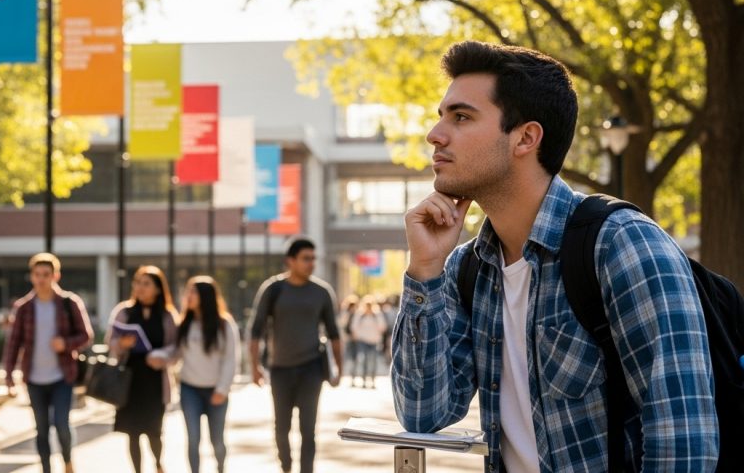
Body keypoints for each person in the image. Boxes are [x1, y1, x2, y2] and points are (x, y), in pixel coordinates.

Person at [392, 41, 718, 472]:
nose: (436, 134)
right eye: (441, 117)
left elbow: (684, 445)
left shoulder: (623, 246)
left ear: (526, 137)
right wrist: (425, 272)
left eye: (461, 117)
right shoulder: (467, 269)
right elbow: (423, 415)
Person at [248, 238, 343, 473]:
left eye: (313, 258)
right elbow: (255, 330)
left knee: (308, 430)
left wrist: (339, 369)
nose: (311, 263)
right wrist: (254, 367)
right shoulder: (273, 289)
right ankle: (286, 466)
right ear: (290, 261)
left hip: (312, 369)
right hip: (280, 369)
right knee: (281, 428)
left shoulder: (322, 292)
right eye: (306, 259)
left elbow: (334, 333)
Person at [2, 253, 93, 473]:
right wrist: (8, 377)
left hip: (63, 376)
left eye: (46, 274)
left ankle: (68, 461)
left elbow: (86, 335)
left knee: (62, 424)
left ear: (56, 276)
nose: (41, 279)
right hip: (34, 378)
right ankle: (45, 469)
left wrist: (66, 343)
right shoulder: (24, 308)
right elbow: (13, 344)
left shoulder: (69, 303)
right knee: (41, 429)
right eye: (37, 274)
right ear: (32, 277)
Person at [107, 265, 179, 473]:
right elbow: (111, 341)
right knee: (132, 432)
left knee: (155, 431)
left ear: (158, 288)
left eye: (146, 284)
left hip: (155, 381)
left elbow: (176, 347)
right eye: (137, 282)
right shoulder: (124, 312)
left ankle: (158, 464)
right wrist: (122, 344)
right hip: (130, 380)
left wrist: (163, 356)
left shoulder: (167, 315)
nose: (140, 287)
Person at [169, 276, 239, 473]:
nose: (188, 296)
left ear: (205, 296)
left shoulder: (224, 324)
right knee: (192, 438)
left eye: (193, 292)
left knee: (217, 440)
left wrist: (222, 389)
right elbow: (175, 353)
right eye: (187, 292)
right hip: (190, 389)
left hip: (216, 391)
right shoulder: (184, 323)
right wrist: (159, 356)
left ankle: (220, 468)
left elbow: (231, 359)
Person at [349, 295, 386, 389]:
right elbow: (354, 327)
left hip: (374, 341)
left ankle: (372, 380)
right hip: (362, 340)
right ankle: (364, 380)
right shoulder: (360, 314)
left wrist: (375, 317)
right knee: (364, 359)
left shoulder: (377, 314)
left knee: (373, 361)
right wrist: (357, 336)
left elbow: (383, 327)